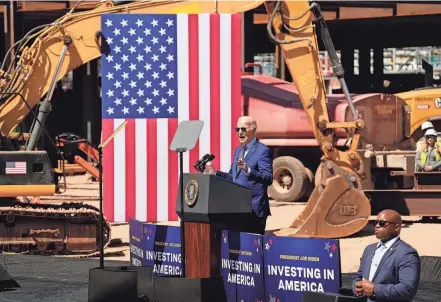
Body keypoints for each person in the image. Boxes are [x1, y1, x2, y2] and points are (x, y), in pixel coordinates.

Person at [204, 116, 273, 235]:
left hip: (254, 210)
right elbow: (232, 177)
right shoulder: (238, 150)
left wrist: (249, 170)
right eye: (237, 129)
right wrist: (214, 172)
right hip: (236, 208)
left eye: (243, 129)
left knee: (252, 249)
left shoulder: (262, 151)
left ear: (253, 129)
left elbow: (268, 178)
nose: (240, 132)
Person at [352, 210, 420, 302]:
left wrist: (375, 289)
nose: (377, 226)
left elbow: (408, 289)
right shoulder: (369, 249)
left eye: (382, 223)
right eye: (375, 222)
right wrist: (356, 287)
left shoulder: (406, 253)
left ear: (396, 227)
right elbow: (358, 276)